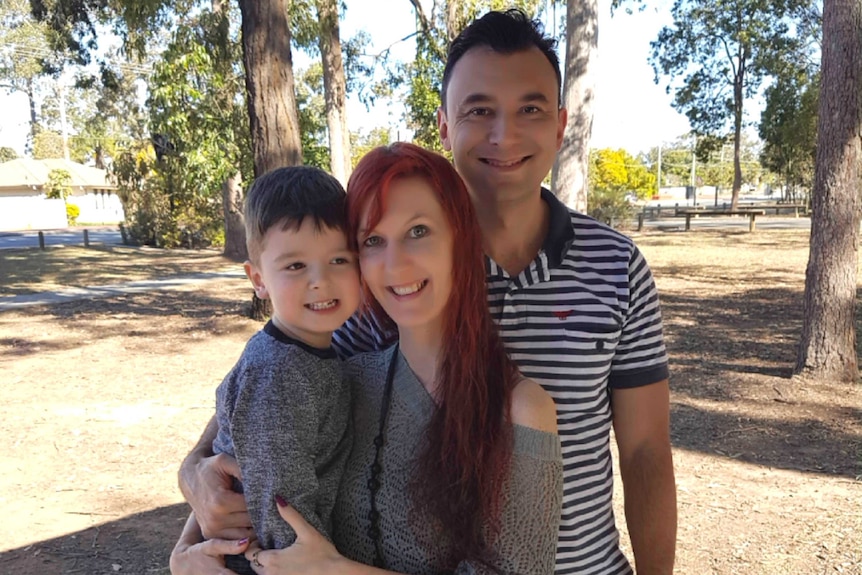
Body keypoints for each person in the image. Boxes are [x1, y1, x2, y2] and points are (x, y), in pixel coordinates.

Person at [177, 8, 677, 575]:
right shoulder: (389, 292)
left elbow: (645, 453)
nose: (503, 134)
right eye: (479, 110)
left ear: (561, 123)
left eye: (530, 109)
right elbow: (276, 389)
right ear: (444, 124)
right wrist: (194, 475)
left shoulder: (615, 266)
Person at [173, 143, 563, 574]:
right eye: (374, 240)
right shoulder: (346, 376)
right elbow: (250, 451)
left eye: (418, 231)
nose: (396, 264)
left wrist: (336, 571)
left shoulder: (520, 409)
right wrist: (186, 552)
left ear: (460, 237)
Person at [192, 166, 361, 574]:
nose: (321, 281)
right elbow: (279, 501)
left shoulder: (314, 349)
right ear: (258, 279)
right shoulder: (279, 374)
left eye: (339, 259)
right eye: (295, 266)